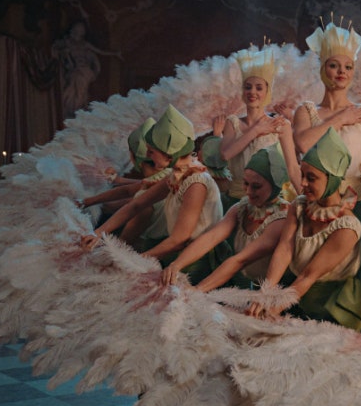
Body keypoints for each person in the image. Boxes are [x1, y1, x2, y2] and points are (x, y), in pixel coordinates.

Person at [80, 105, 223, 285]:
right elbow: (136, 205)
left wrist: (133, 260)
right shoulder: (177, 174)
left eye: (152, 151)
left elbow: (179, 239)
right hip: (176, 253)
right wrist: (97, 233)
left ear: (169, 155)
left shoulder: (196, 184)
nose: (147, 155)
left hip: (196, 261)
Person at [247, 128, 361, 331]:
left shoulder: (347, 226)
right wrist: (266, 293)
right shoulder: (299, 205)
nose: (302, 183)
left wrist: (272, 309)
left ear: (332, 178)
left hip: (331, 309)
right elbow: (285, 249)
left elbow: (308, 275)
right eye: (302, 175)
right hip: (295, 294)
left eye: (311, 178)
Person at [293, 18, 361, 212]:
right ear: (323, 69)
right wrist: (341, 119)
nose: (342, 71)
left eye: (348, 67)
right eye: (334, 65)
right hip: (317, 201)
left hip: (357, 201)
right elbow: (304, 145)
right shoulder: (306, 111)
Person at [161, 143, 290, 291]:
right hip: (247, 279)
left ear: (274, 185)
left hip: (275, 289)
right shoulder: (242, 208)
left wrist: (198, 290)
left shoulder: (281, 218)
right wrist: (176, 265)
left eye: (256, 186)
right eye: (246, 183)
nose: (248, 191)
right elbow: (211, 237)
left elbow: (240, 260)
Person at [218, 46, 301, 209]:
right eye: (248, 87)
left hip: (269, 203)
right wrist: (256, 130)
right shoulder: (232, 123)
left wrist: (306, 200)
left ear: (267, 91)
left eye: (259, 87)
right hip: (235, 201)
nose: (252, 92)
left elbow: (292, 168)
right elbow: (225, 154)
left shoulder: (280, 125)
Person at [52, 20, 121, 118]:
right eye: (77, 29)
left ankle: (77, 107)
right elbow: (53, 50)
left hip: (84, 69)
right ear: (72, 30)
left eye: (81, 30)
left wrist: (115, 53)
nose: (79, 32)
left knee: (81, 82)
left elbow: (101, 51)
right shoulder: (65, 42)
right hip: (71, 69)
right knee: (73, 81)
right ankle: (71, 107)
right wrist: (62, 53)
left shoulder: (84, 44)